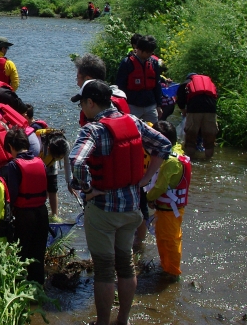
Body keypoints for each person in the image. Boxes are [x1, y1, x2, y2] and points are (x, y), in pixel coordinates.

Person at [69, 79, 171, 325]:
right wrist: (146, 179)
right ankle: (123, 319)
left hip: (104, 211)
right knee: (125, 265)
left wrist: (88, 189)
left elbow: (77, 161)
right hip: (132, 208)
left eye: (82, 104)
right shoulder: (133, 121)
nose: (82, 109)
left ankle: (103, 322)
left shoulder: (93, 129)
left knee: (104, 270)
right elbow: (164, 145)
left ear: (91, 103)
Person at [0, 127, 49, 283]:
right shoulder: (41, 162)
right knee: (38, 255)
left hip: (23, 215)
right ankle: (38, 291)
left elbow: (11, 195)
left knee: (20, 254)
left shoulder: (13, 166)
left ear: (10, 147)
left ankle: (18, 289)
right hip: (42, 213)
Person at [146, 120, 192, 280]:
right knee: (164, 238)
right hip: (169, 208)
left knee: (169, 240)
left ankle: (172, 273)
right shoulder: (176, 150)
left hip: (169, 209)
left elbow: (160, 187)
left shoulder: (171, 161)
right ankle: (165, 266)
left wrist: (147, 198)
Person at [116, 36, 163, 124]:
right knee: (131, 130)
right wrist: (121, 107)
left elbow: (157, 84)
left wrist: (159, 105)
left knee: (155, 131)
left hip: (150, 106)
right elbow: (120, 86)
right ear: (139, 50)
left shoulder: (154, 63)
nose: (150, 55)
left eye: (151, 52)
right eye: (148, 52)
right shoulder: (127, 63)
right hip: (132, 105)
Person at [74, 53, 130, 126]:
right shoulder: (118, 95)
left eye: (78, 78)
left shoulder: (92, 106)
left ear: (88, 79)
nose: (77, 83)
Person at [176, 73, 219, 160]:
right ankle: (208, 161)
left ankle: (190, 161)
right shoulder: (209, 83)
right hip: (211, 109)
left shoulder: (185, 83)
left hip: (194, 109)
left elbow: (180, 99)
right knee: (209, 140)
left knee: (191, 138)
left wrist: (183, 110)